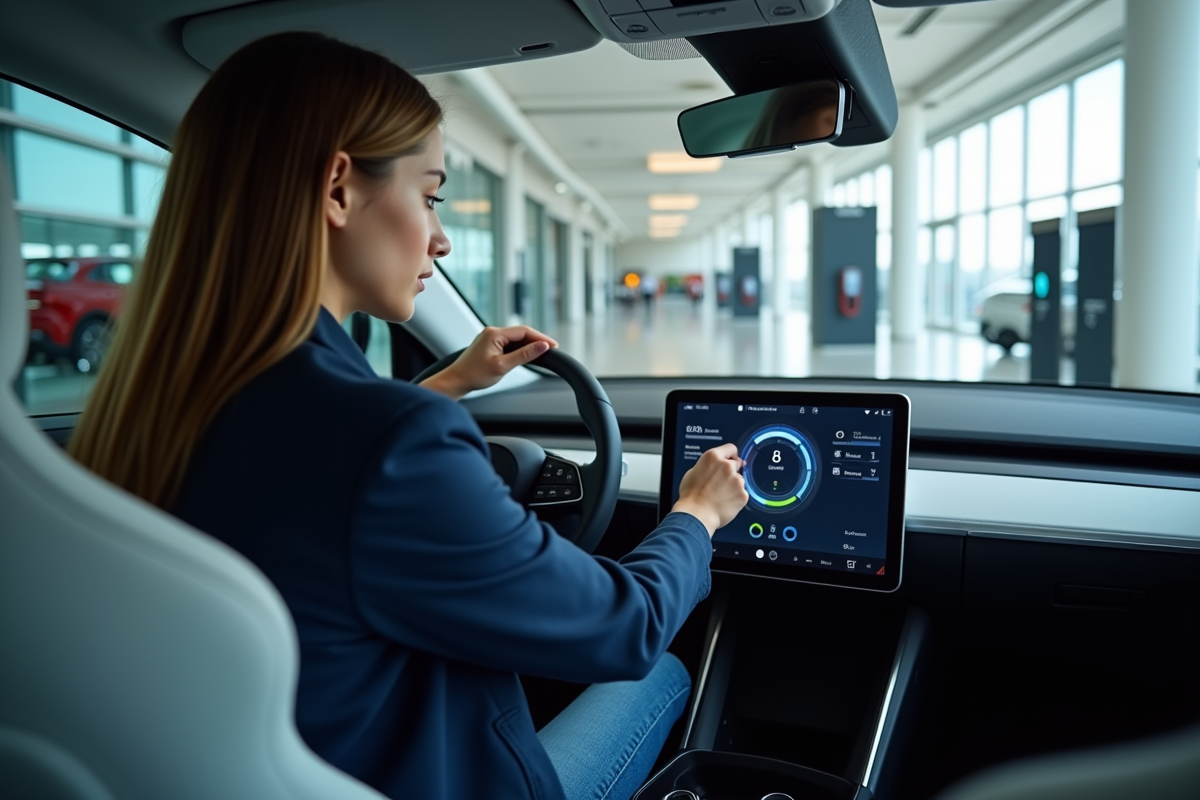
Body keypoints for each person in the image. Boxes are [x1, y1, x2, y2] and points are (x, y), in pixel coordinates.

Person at [68, 32, 748, 800]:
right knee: (661, 671)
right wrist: (697, 513)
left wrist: (449, 383)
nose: (442, 238)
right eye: (429, 197)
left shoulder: (143, 414)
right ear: (337, 189)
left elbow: (315, 467)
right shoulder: (391, 444)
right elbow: (625, 628)